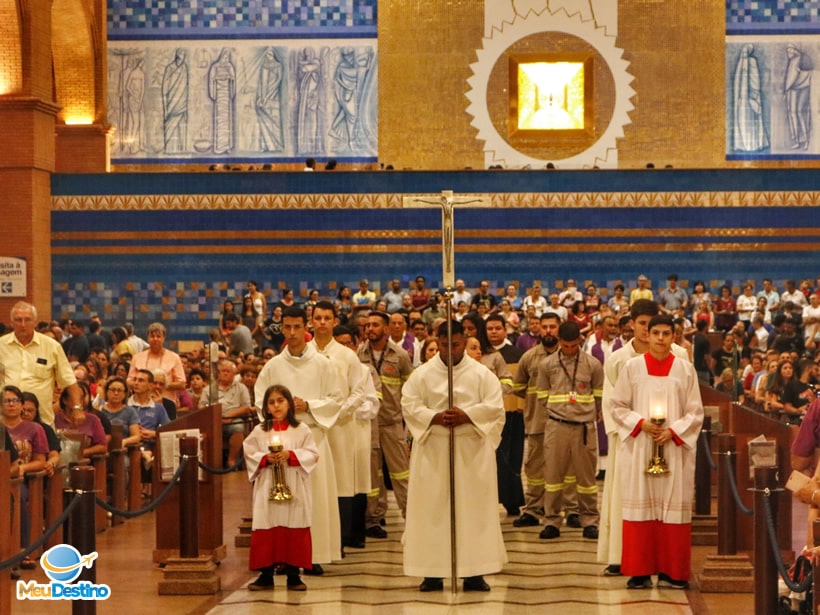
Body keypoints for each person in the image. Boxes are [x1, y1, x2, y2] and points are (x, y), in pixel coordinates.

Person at [401, 321, 507, 592]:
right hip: (433, 449)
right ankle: (431, 572)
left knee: (473, 510)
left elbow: (494, 405)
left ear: (465, 340)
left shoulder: (482, 374)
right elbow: (409, 403)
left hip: (470, 448)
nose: (450, 350)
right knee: (431, 510)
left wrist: (467, 415)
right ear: (437, 341)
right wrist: (433, 416)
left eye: (456, 344)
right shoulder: (422, 374)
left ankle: (474, 572)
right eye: (445, 345)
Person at [610, 314, 704, 590]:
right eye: (656, 333)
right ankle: (639, 571)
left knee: (673, 508)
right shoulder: (632, 367)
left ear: (674, 336)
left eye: (666, 333)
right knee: (641, 505)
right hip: (641, 444)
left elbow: (695, 411)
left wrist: (673, 431)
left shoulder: (685, 369)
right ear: (646, 335)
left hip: (673, 447)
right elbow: (617, 406)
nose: (661, 339)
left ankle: (672, 572)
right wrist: (642, 424)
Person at [254, 306, 342, 573]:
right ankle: (287, 556)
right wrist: (281, 411)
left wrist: (309, 405)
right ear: (282, 328)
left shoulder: (324, 365)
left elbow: (337, 399)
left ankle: (314, 554)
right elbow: (260, 400)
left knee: (315, 498)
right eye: (287, 327)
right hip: (282, 442)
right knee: (286, 501)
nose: (292, 333)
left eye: (297, 327)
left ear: (307, 328)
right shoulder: (273, 366)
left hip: (313, 438)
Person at [244, 384, 319, 591]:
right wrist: (265, 458)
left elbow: (313, 454)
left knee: (294, 524)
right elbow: (249, 453)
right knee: (267, 524)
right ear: (266, 408)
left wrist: (291, 455)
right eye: (271, 402)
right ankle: (265, 575)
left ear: (289, 404)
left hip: (294, 484)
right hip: (267, 483)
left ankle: (294, 575)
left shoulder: (301, 429)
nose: (276, 406)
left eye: (280, 401)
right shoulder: (260, 431)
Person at [535, 321, 603, 540]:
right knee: (553, 476)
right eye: (565, 346)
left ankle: (590, 520)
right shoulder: (547, 364)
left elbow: (599, 395)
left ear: (579, 342)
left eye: (574, 346)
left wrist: (588, 412)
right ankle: (552, 521)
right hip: (557, 425)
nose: (570, 350)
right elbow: (542, 395)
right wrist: (559, 410)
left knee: (586, 478)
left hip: (584, 428)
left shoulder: (592, 364)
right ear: (559, 342)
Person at [357, 311, 412, 538]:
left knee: (401, 473)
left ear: (387, 329)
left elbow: (410, 390)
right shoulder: (359, 355)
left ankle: (412, 515)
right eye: (368, 325)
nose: (370, 328)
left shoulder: (400, 355)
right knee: (373, 474)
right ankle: (373, 519)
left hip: (392, 423)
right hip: (368, 424)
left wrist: (408, 424)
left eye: (375, 325)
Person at [0, 301, 83, 426]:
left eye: (27, 320)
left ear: (35, 322)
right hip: (5, 421)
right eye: (18, 320)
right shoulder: (1, 345)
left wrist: (77, 408)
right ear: (11, 323)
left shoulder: (52, 346)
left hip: (41, 420)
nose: (23, 325)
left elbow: (69, 381)